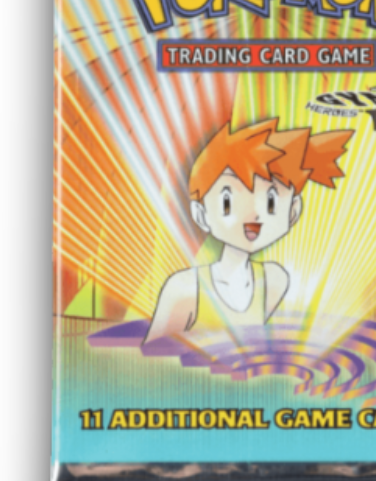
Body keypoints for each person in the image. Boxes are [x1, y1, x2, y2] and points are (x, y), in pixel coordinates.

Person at [145, 119, 352, 343]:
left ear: (293, 211)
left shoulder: (274, 280)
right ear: (201, 214)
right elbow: (153, 356)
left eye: (270, 201)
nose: (253, 215)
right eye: (228, 201)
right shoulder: (185, 289)